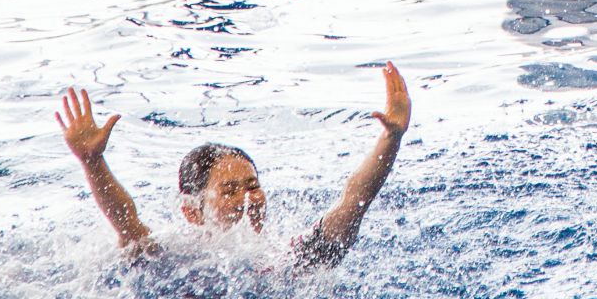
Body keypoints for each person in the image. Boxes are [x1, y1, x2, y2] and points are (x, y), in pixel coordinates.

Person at [54, 64, 412, 269]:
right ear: (193, 211)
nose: (248, 198)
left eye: (252, 185)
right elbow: (127, 224)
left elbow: (354, 202)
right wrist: (92, 161)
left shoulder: (286, 256)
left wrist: (390, 139)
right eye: (229, 190)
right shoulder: (175, 256)